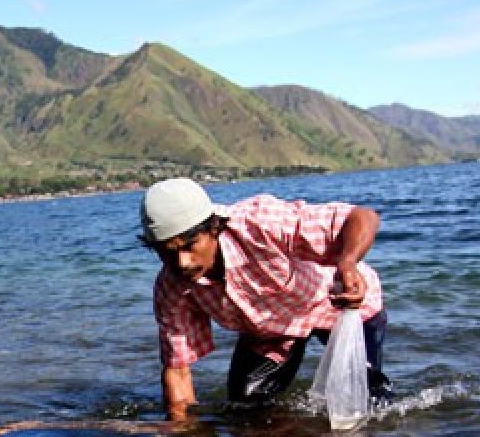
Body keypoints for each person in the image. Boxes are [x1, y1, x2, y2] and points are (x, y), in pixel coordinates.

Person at [141, 178, 392, 422]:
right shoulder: (172, 289)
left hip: (337, 303)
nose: (182, 263)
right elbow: (177, 370)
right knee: (245, 410)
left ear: (214, 228)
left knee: (367, 401)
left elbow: (360, 217)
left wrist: (347, 263)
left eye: (190, 246)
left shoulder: (259, 223)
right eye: (167, 252)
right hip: (272, 331)